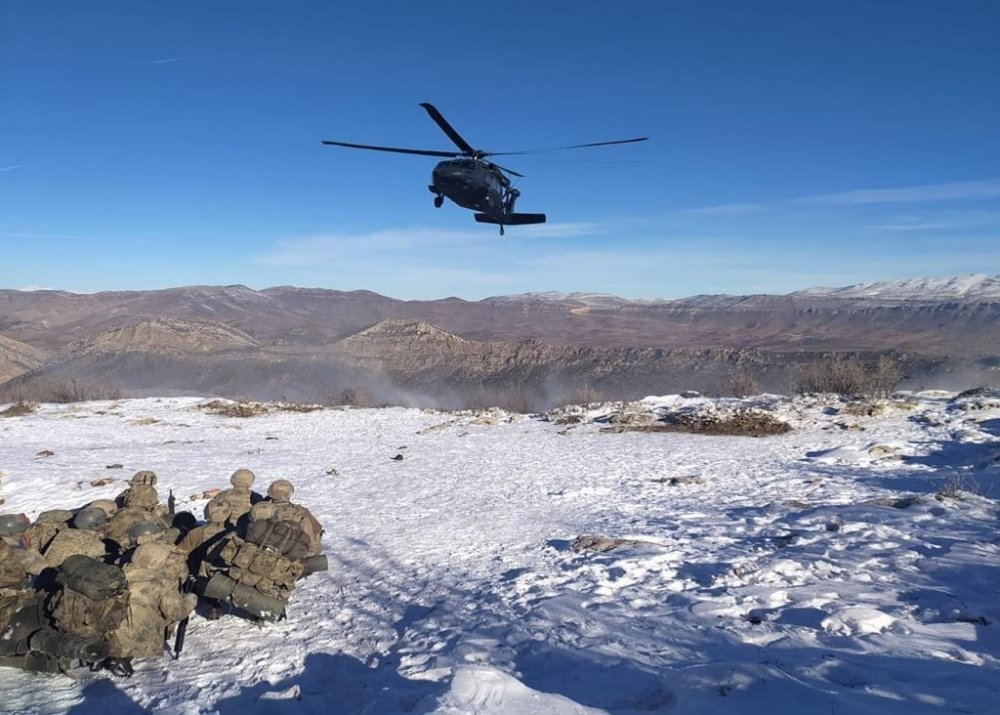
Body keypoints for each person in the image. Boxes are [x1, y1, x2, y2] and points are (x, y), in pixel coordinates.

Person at [105, 542, 196, 674]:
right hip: (135, 632)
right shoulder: (163, 583)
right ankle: (126, 655)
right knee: (167, 614)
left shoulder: (117, 572)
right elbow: (177, 613)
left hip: (108, 627)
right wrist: (191, 599)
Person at [264, 480, 323, 556]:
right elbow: (317, 528)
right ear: (290, 494)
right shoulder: (302, 511)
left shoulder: (262, 510)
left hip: (269, 552)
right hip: (299, 552)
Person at [41, 507, 110, 568]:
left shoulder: (64, 532)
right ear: (96, 526)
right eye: (104, 522)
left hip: (44, 572)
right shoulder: (97, 545)